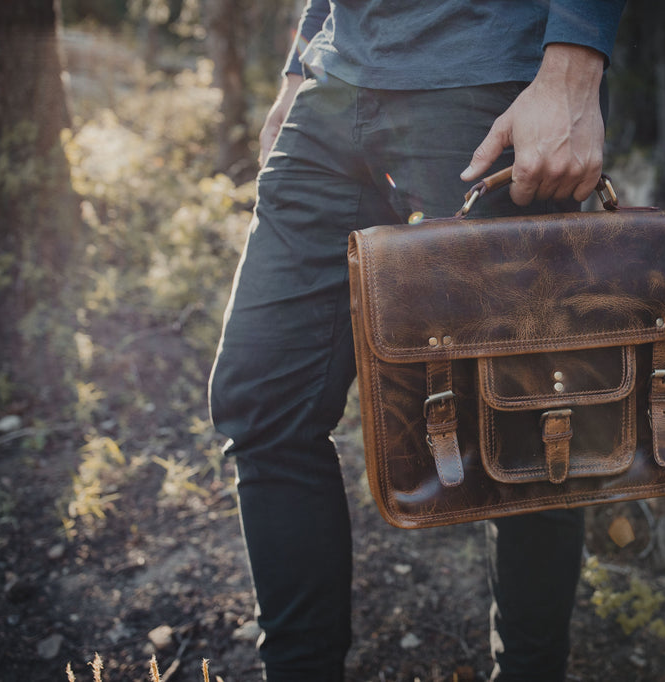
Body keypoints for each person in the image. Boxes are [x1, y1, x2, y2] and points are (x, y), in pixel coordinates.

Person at [208, 2, 626, 680]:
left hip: (483, 91)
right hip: (334, 91)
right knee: (261, 402)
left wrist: (574, 64)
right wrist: (297, 71)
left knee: (524, 425)